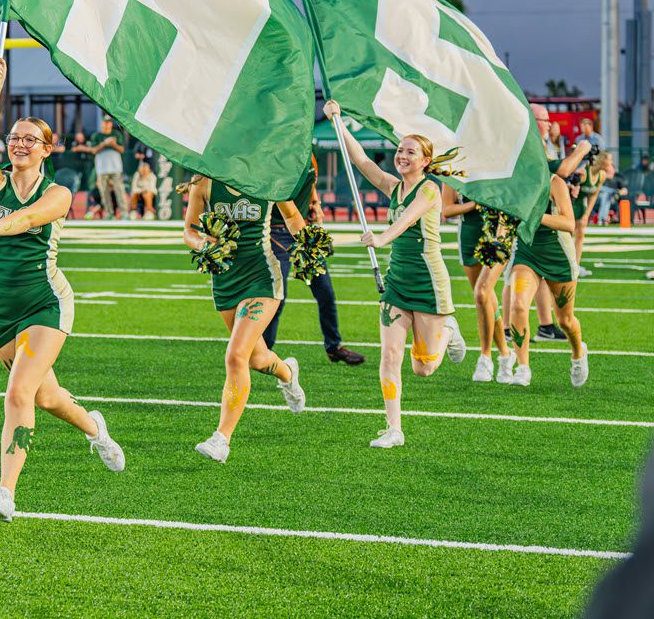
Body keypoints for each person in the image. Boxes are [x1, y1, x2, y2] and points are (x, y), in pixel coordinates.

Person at [0, 56, 125, 522]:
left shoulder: (58, 192)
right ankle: (95, 428)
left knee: (18, 393)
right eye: (14, 137)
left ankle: (5, 493)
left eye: (30, 139)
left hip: (44, 302)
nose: (19, 144)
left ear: (46, 150)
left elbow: (29, 218)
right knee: (46, 397)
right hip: (0, 307)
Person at [324, 100, 467, 448]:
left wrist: (381, 238)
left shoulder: (430, 189)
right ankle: (394, 429)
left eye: (411, 152)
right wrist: (338, 122)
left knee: (423, 368)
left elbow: (406, 220)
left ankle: (449, 329)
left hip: (428, 282)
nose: (402, 156)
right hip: (397, 282)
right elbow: (362, 161)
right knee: (390, 355)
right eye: (400, 150)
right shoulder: (393, 187)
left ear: (425, 161)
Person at [180, 175, 310, 463]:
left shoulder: (268, 178)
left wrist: (307, 246)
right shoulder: (205, 182)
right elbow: (189, 231)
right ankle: (288, 373)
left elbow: (292, 216)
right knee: (257, 359)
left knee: (236, 355)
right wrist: (203, 245)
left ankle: (221, 439)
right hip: (224, 279)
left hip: (262, 276)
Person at [261, 153, 365, 366]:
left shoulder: (309, 155)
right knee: (278, 296)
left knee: (325, 291)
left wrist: (315, 203)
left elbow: (312, 183)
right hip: (276, 231)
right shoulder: (274, 154)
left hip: (303, 230)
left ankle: (334, 347)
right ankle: (263, 351)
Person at [506, 172, 589, 387]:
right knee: (518, 305)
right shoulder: (511, 179)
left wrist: (534, 215)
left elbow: (569, 223)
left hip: (557, 253)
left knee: (565, 320)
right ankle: (522, 367)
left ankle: (578, 353)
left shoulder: (554, 182)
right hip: (526, 251)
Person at [441, 185, 514, 383]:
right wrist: (475, 204)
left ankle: (485, 357)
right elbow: (447, 210)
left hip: (499, 233)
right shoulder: (455, 171)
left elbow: (512, 200)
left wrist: (500, 234)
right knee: (486, 299)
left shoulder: (501, 169)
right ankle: (505, 354)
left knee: (482, 293)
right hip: (469, 237)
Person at [572, 151, 611, 276]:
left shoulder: (602, 175)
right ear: (602, 161)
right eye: (609, 160)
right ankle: (565, 265)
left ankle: (576, 266)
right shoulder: (584, 172)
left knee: (580, 235)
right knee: (566, 236)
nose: (611, 163)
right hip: (570, 203)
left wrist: (586, 215)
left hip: (581, 206)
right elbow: (569, 190)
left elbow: (594, 195)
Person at [87, 115, 128, 219]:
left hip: (115, 167)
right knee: (104, 192)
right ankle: (109, 213)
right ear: (102, 124)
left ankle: (124, 213)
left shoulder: (117, 134)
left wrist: (113, 144)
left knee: (120, 190)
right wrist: (104, 144)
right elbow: (93, 150)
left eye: (109, 122)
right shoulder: (96, 136)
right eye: (105, 122)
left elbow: (122, 150)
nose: (107, 124)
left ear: (111, 124)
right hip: (101, 168)